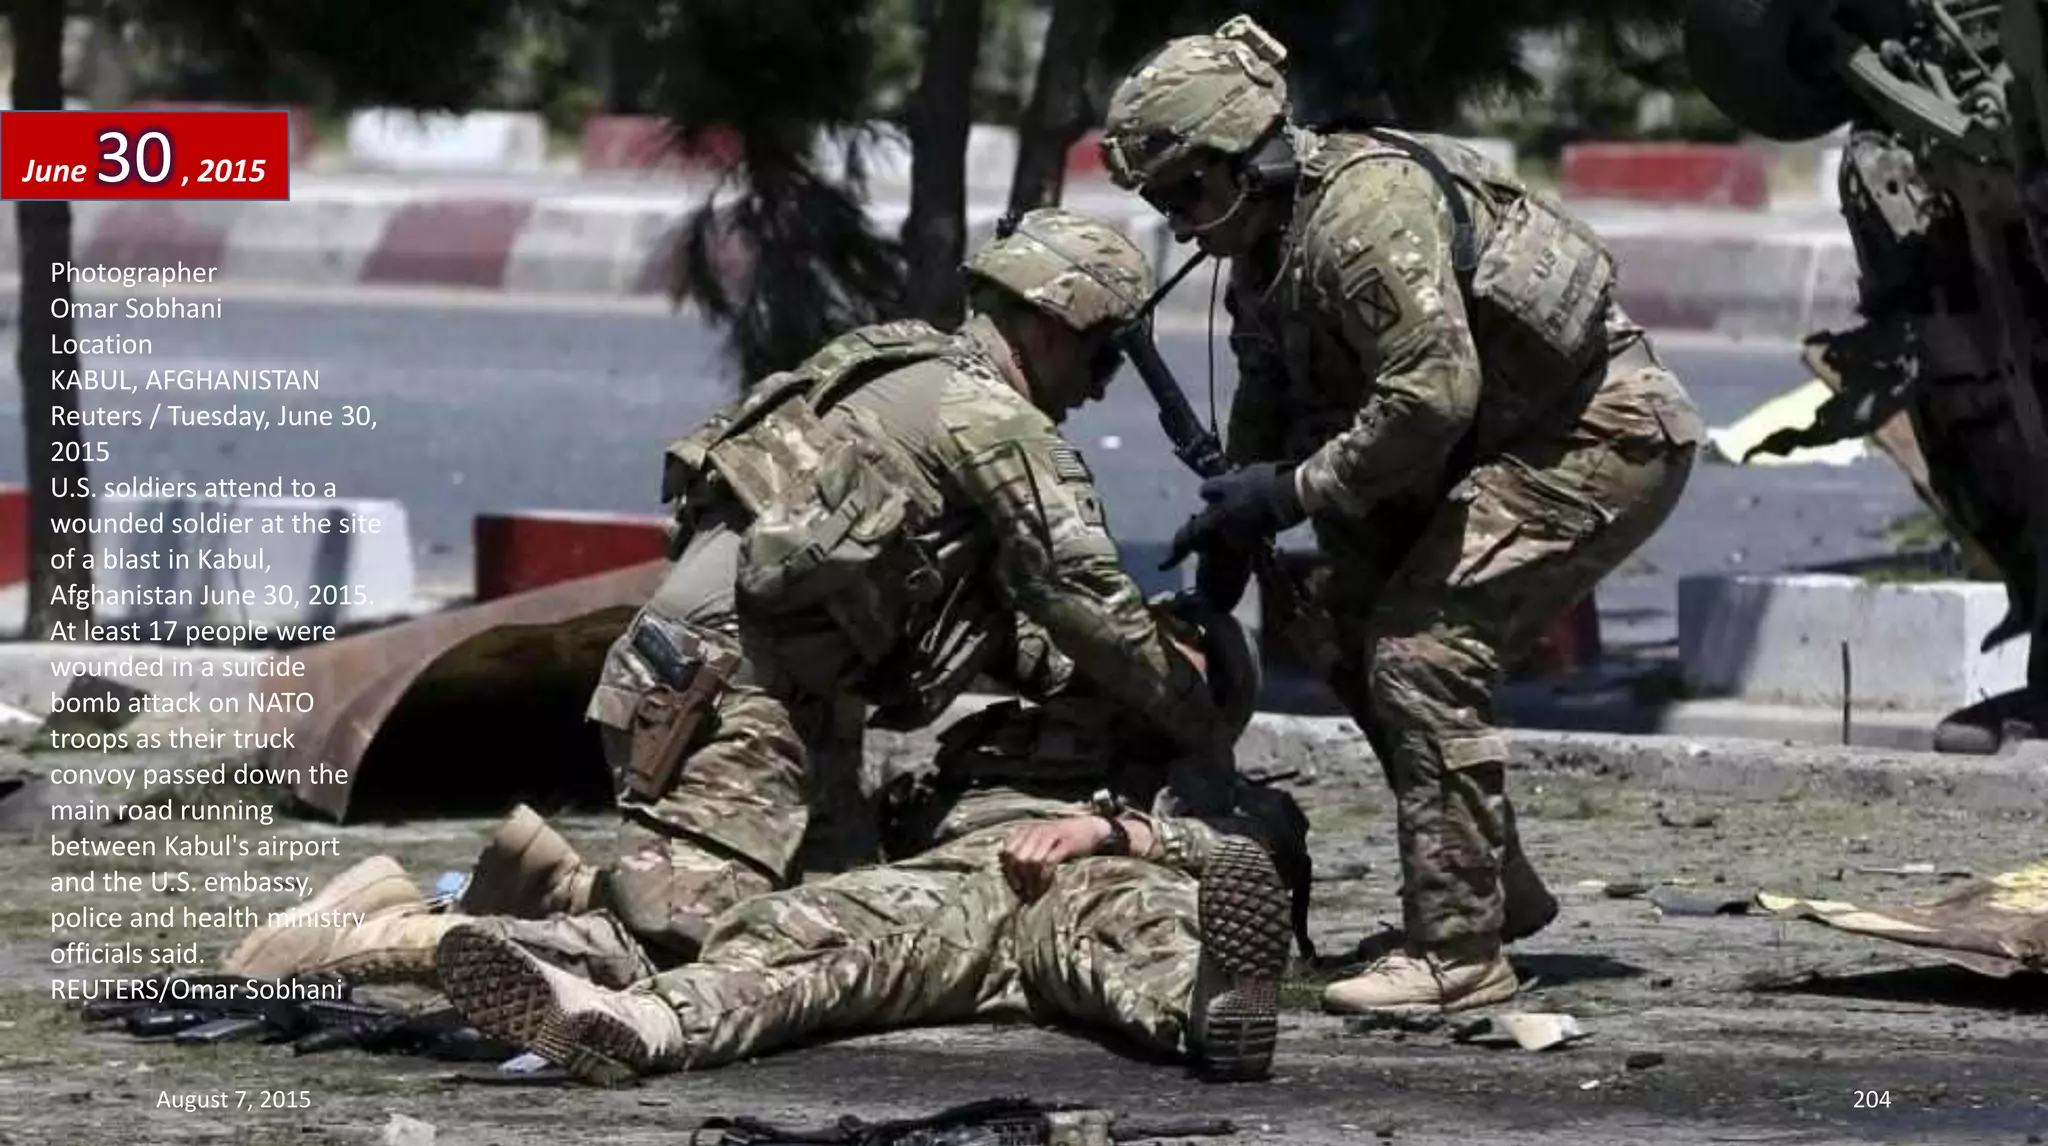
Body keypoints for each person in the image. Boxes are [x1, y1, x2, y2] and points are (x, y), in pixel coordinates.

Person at [219, 208, 1231, 987]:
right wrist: (1188, 715)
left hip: (751, 690)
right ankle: (379, 938)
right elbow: (1087, 599)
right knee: (685, 952)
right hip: (735, 700)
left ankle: (534, 879)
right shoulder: (996, 429)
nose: (1099, 388)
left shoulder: (889, 368)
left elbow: (980, 617)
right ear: (1054, 326)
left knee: (827, 919)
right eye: (1102, 356)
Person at [1098, 15, 1705, 1015]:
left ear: (1246, 159)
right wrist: (1237, 517)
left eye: (1187, 195)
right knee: (1334, 619)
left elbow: (1429, 396)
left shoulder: (1363, 218)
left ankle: (1457, 955)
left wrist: (1286, 491)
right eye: (1162, 204)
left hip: (1594, 437)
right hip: (1475, 448)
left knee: (1421, 653)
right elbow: (1267, 386)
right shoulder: (1268, 239)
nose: (1179, 225)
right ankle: (1489, 887)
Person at [430, 638, 1302, 1087]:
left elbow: (1252, 854)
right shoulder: (993, 751)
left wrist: (1118, 836)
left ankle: (1215, 1016)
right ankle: (641, 1023)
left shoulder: (1207, 780)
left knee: (1144, 936)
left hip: (1108, 880)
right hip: (968, 891)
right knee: (807, 937)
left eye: (1181, 655)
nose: (1144, 660)